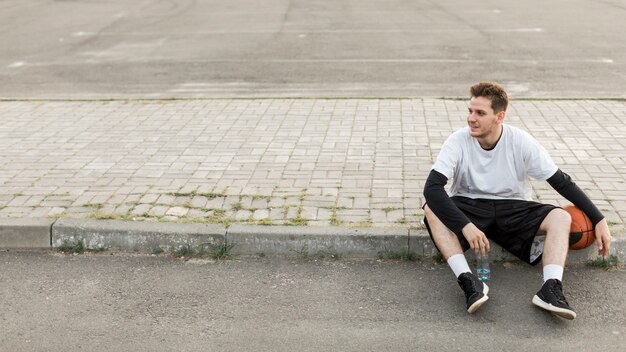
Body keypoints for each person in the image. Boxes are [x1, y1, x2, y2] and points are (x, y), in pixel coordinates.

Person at [422, 81, 612, 320]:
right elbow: (432, 188)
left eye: (480, 113)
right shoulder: (458, 140)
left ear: (499, 116)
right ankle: (469, 281)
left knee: (561, 216)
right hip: (469, 205)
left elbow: (561, 182)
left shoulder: (520, 141)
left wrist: (599, 218)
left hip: (513, 207)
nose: (471, 118)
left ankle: (550, 288)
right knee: (431, 207)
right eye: (470, 111)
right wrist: (465, 226)